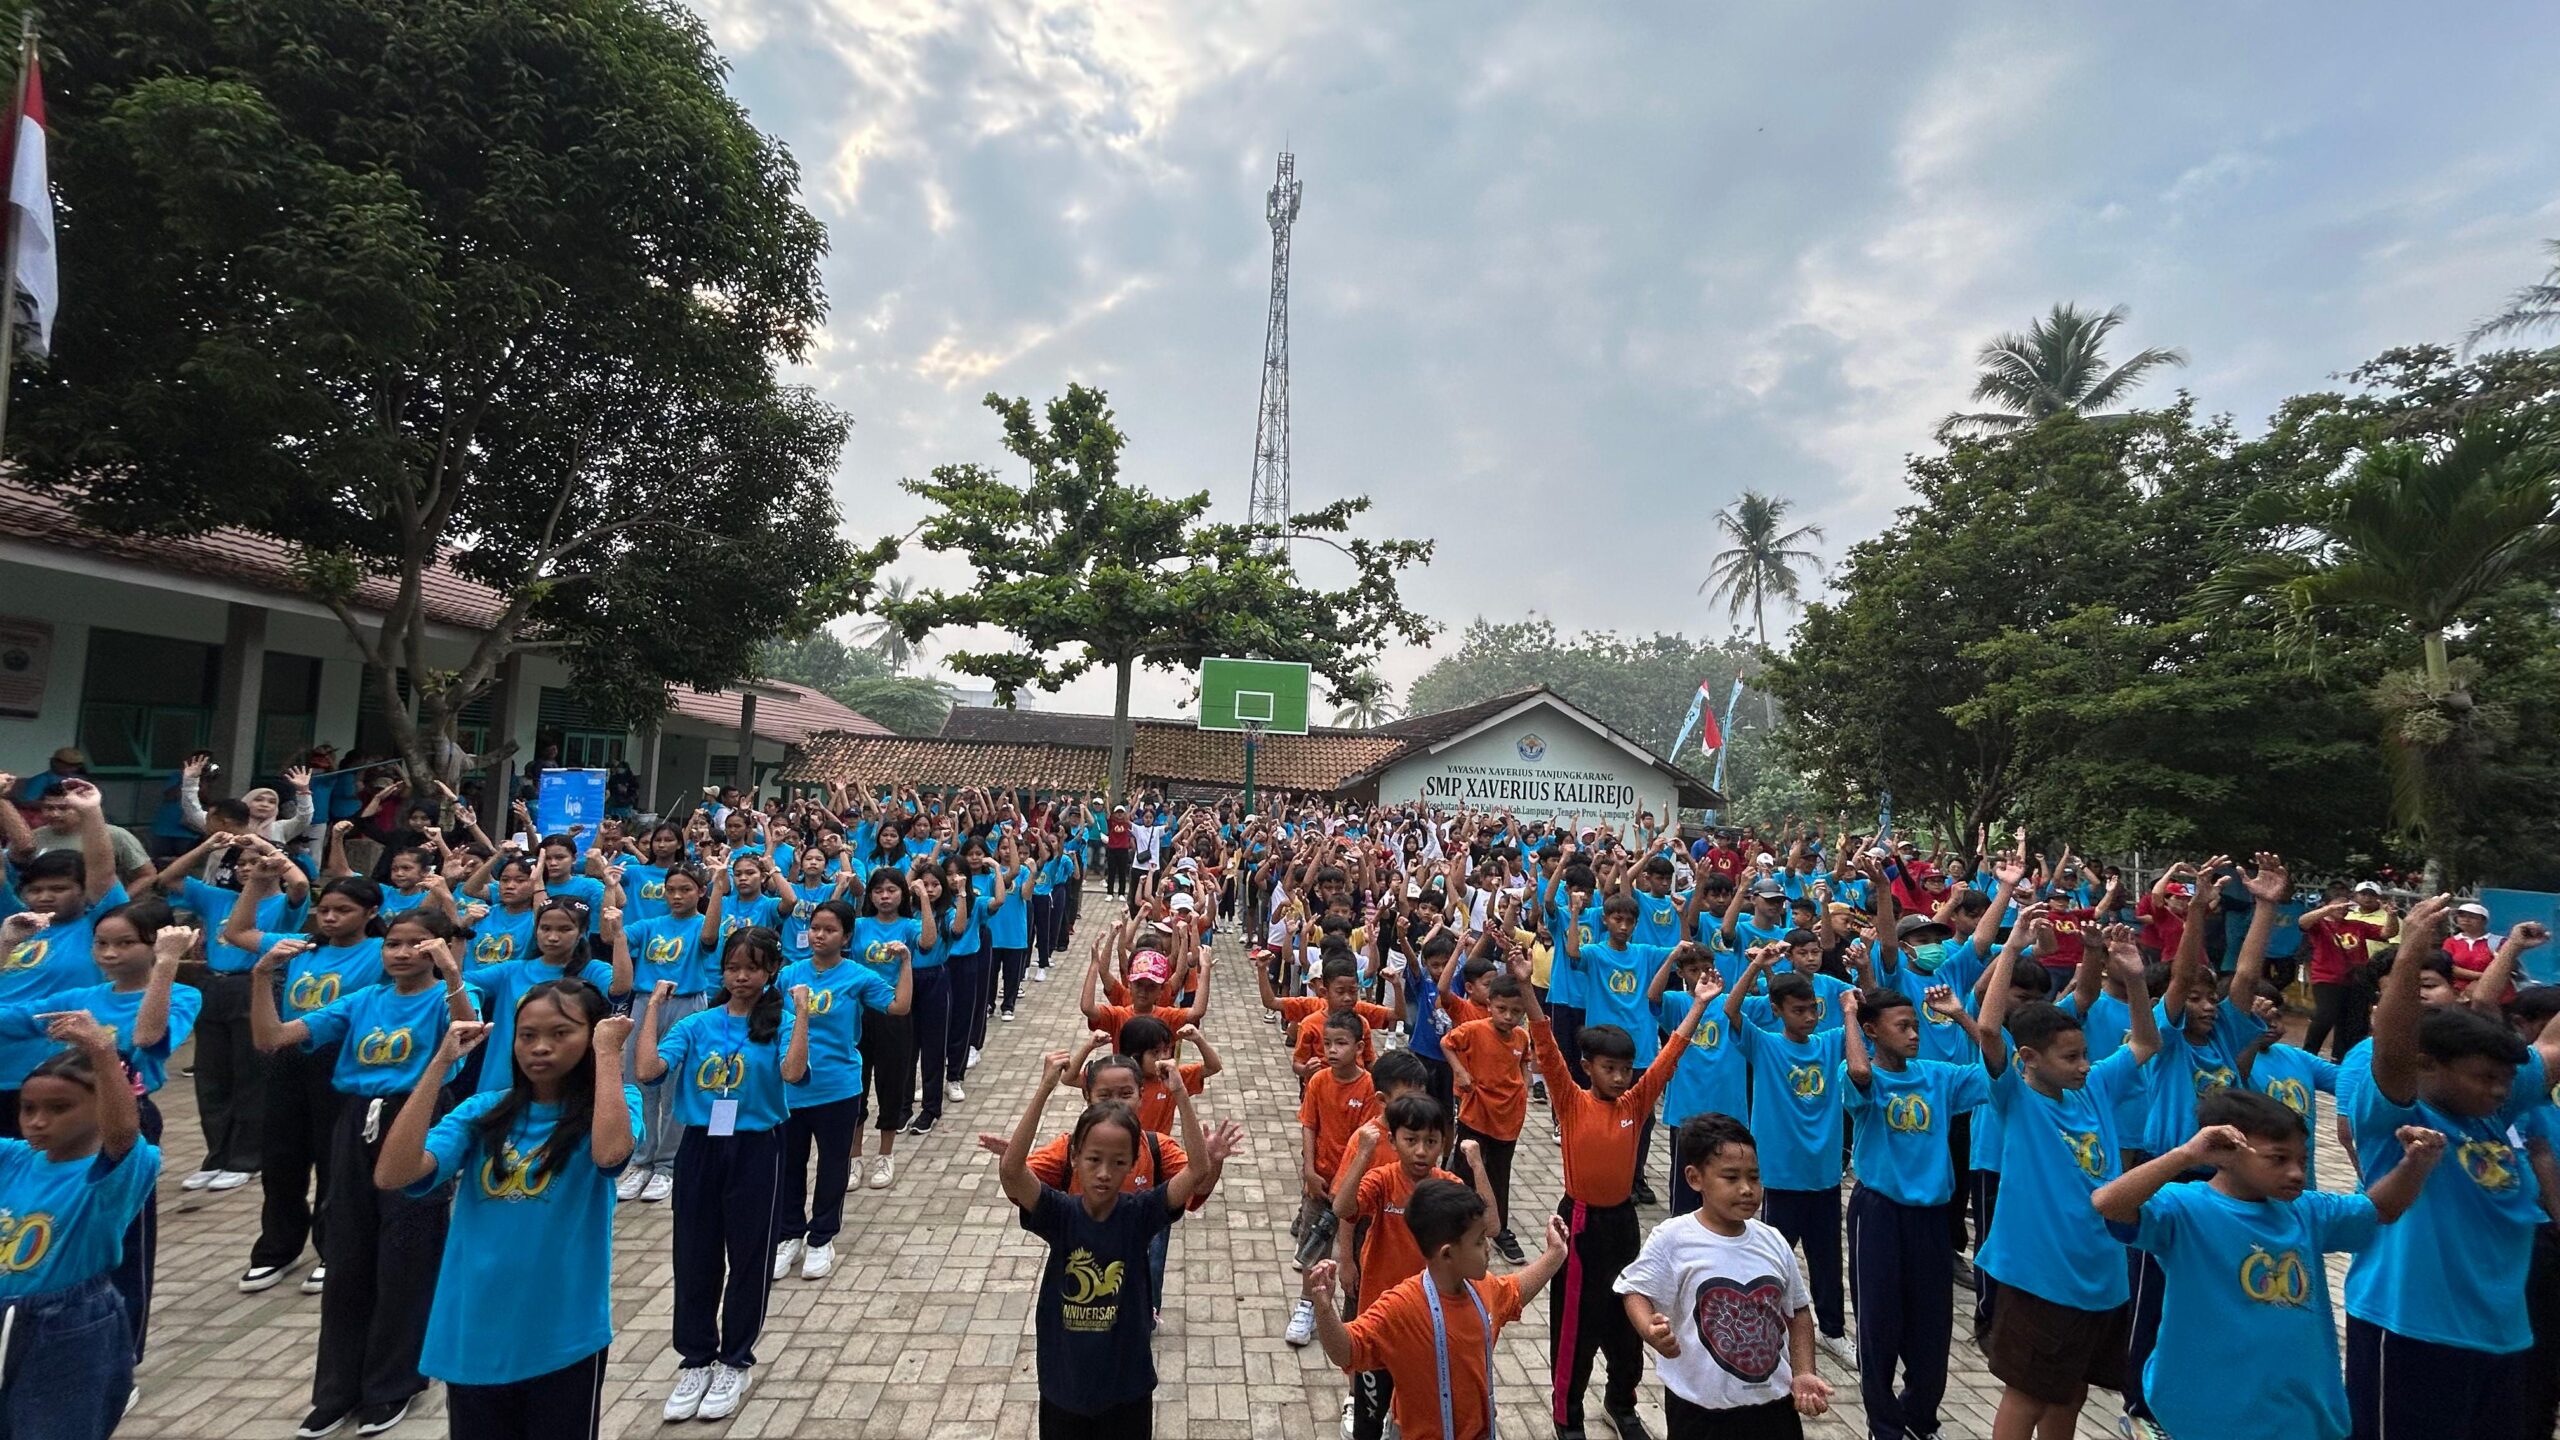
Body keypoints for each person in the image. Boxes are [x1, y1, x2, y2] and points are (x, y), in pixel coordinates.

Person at [2094, 1088, 2444, 1440]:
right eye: (2278, 1159)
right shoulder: (2183, 1208)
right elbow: (2108, 1202)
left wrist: (2416, 1164)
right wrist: (2185, 1155)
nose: (2296, 1173)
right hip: (2206, 1411)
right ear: (2225, 1153)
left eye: (2301, 1160)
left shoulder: (2307, 1211)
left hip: (2301, 1414)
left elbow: (2379, 1209)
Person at [373, 981, 638, 1439]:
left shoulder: (610, 1107)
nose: (540, 1047)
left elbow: (610, 1154)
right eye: (527, 1035)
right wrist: (439, 1065)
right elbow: (394, 1173)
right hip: (472, 1330)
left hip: (562, 1334)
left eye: (561, 1033)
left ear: (593, 1035)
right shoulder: (483, 1111)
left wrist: (609, 1056)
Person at [250, 907, 478, 1438]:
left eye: (417, 943)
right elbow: (273, 1037)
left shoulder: (448, 997)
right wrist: (261, 976)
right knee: (348, 1249)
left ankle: (393, 1383)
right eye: (393, 943)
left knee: (408, 1250)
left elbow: (467, 1033)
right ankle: (337, 1389)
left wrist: (451, 970)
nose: (402, 953)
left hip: (419, 1114)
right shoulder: (362, 1000)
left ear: (439, 946)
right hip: (356, 1121)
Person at [2345, 894, 2560, 1440]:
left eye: (2505, 1080)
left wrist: (2511, 950)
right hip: (2412, 1330)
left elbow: (2553, 1046)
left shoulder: (2493, 1112)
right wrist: (2411, 949)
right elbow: (2393, 1049)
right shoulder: (2395, 1118)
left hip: (2502, 1336)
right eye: (2485, 1077)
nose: (2500, 1090)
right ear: (2427, 1066)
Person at [1517, 947, 1717, 1440]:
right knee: (1575, 1327)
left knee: (1628, 1318)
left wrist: (1699, 1004)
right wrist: (1524, 984)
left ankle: (1621, 1403)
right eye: (1609, 1068)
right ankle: (1567, 1416)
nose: (1619, 1077)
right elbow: (1545, 1044)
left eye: (1625, 1069)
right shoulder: (1570, 1100)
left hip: (1623, 1224)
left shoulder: (1635, 1102)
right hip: (1579, 1224)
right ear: (1588, 1067)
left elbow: (1668, 1058)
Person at [1971, 924, 2161, 1440]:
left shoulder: (2094, 1087)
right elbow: (1988, 1030)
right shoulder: (2017, 1098)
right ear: (2029, 1059)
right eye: (2070, 1058)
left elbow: (2147, 1042)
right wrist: (2013, 947)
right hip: (2042, 1274)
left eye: (2084, 1055)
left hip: (2101, 1272)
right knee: (2028, 1393)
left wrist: (2136, 979)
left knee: (2073, 1390)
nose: (2083, 1066)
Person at [997, 1042, 1238, 1440]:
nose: (1105, 1173)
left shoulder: (1139, 1215)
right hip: (1064, 1382)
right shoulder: (1059, 1214)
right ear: (1074, 1157)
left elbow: (1196, 1171)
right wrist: (1043, 1089)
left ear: (1132, 1164)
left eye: (1119, 1162)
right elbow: (1012, 1171)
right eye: (1093, 1159)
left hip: (1127, 1385)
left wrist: (1180, 1093)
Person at [0, 904, 198, 1368]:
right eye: (101, 943)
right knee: (56, 1223)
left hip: (125, 1120)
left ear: (153, 943)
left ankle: (123, 1358)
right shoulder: (78, 997)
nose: (110, 953)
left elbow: (147, 1037)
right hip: (61, 1117)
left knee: (126, 1240)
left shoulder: (181, 993)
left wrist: (168, 962)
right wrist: (6, 945)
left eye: (125, 943)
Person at [634, 928, 812, 1424]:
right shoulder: (697, 1025)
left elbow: (793, 1074)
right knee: (694, 1255)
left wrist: (801, 1014)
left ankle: (735, 1360)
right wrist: (653, 1006)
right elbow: (648, 1071)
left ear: (771, 971)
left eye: (752, 968)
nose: (740, 977)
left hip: (756, 1148)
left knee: (750, 1256)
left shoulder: (778, 1022)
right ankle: (696, 1360)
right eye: (732, 967)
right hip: (700, 1147)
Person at [223, 871, 391, 1296]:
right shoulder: (302, 947)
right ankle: (276, 1249)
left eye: (343, 910)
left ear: (371, 912)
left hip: (342, 1061)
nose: (330, 918)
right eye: (325, 909)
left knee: (335, 1160)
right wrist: (256, 883)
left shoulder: (382, 952)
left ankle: (334, 1248)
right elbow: (237, 932)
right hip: (288, 1056)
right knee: (282, 1158)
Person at [1617, 1113, 1835, 1440]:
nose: (1747, 1189)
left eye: (1754, 1177)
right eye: (1731, 1178)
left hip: (1773, 1405)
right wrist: (1649, 1329)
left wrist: (1803, 1372)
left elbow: (1798, 1311)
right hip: (1699, 1410)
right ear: (1695, 1178)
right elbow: (1635, 1291)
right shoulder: (1673, 1239)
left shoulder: (1773, 1241)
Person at [1306, 1179, 1576, 1440]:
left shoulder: (1483, 1288)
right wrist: (1324, 1309)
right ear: (1447, 1254)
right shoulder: (1401, 1307)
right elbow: (1346, 1351)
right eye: (1479, 1241)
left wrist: (1555, 1254)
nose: (1488, 1250)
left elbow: (1515, 1292)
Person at [1838, 985, 1991, 1440]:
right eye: (1902, 1027)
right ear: (1872, 1031)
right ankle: (1883, 1427)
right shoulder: (1862, 1075)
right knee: (1879, 1323)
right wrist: (1849, 1014)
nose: (1913, 1035)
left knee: (1932, 1326)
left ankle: (1919, 1420)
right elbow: (1860, 1071)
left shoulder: (1938, 1076)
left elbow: (1999, 1068)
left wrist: (1961, 1016)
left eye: (1916, 1026)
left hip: (1931, 1217)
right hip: (1879, 1213)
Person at [0, 1012, 159, 1440]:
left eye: (59, 1108)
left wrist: (102, 1052)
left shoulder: (115, 1175)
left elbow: (122, 1134)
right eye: (28, 1108)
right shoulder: (13, 1159)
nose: (37, 1121)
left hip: (69, 1326)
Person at [1332, 1097, 1500, 1440]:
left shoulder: (1449, 1187)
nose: (1422, 1151)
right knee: (1369, 1415)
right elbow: (1343, 1208)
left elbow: (1492, 1226)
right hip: (1382, 1317)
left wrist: (1477, 1165)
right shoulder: (1382, 1180)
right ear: (1392, 1140)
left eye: (1432, 1141)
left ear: (1444, 1142)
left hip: (1428, 1324)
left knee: (1421, 1408)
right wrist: (1363, 1153)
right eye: (1411, 1140)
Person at [1723, 947, 1853, 1365]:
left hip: (1824, 1174)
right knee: (1767, 1257)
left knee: (1826, 1260)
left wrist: (1854, 1001)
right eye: (1798, 1010)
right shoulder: (1764, 1045)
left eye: (1813, 1009)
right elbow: (1731, 1009)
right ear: (1777, 1010)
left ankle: (1832, 1330)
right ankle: (1758, 1323)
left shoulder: (1831, 1042)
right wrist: (1756, 966)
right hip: (1779, 1176)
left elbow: (1862, 1030)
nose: (1809, 1017)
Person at [774, 899, 911, 1282]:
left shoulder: (858, 976)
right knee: (790, 1165)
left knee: (833, 1166)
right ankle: (789, 1235)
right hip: (791, 1088)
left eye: (829, 930)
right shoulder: (789, 975)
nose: (819, 935)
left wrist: (905, 963)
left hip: (838, 1087)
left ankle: (821, 1238)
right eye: (815, 928)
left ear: (846, 937)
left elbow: (899, 1007)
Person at [0, 780, 125, 1136]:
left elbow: (102, 873)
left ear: (83, 892)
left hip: (52, 1070)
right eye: (35, 889)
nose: (45, 897)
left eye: (59, 888)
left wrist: (90, 812)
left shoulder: (94, 927)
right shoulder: (14, 922)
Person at [610, 857, 729, 1202]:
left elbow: (710, 938)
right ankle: (642, 1159)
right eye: (671, 890)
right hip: (645, 1003)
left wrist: (719, 887)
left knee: (675, 1086)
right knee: (639, 1081)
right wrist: (610, 891)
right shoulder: (650, 925)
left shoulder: (701, 924)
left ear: (700, 891)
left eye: (685, 890)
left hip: (686, 1003)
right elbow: (614, 935)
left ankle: (667, 1164)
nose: (677, 896)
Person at [1288, 1011, 1381, 1349]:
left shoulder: (1369, 1087)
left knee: (1356, 1251)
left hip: (1355, 1187)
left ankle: (1355, 1313)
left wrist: (1348, 1185)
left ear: (1359, 1047)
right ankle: (1308, 1304)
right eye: (1327, 1043)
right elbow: (1309, 1126)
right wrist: (1309, 1172)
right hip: (1320, 1183)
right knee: (1313, 1247)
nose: (1332, 1050)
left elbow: (1366, 1142)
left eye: (1341, 1043)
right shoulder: (1318, 1082)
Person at [1443, 970, 1534, 1265]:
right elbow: (1447, 1043)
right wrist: (1460, 1071)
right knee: (1465, 1172)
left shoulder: (1521, 1037)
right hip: (1475, 1115)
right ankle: (1457, 1223)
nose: (1508, 1016)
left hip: (1508, 1121)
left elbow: (1525, 1062)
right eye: (1502, 1008)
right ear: (1490, 1004)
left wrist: (1524, 1086)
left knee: (1499, 1175)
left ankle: (1499, 1229)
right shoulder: (1474, 1030)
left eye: (1516, 1011)